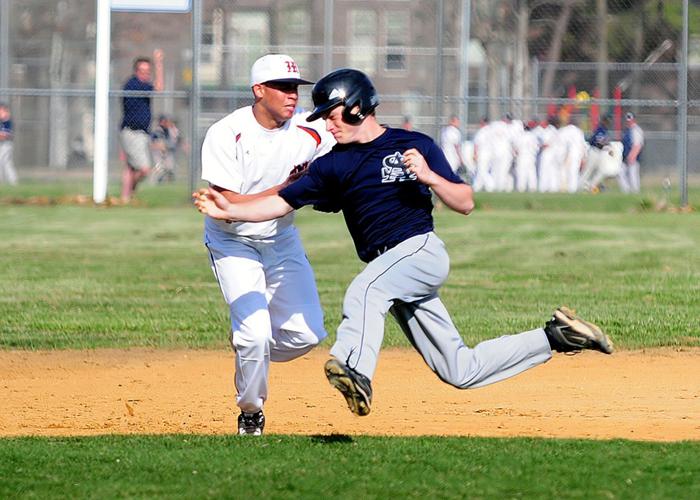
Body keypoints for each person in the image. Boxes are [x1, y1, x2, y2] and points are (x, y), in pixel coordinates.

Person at [194, 68, 613, 419]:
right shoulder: (332, 165)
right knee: (459, 368)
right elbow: (278, 202)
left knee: (366, 289)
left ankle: (355, 370)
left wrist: (430, 176)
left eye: (332, 113)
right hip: (392, 269)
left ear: (357, 105)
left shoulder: (413, 144)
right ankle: (557, 337)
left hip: (419, 251)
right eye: (322, 116)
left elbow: (465, 202)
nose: (326, 122)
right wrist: (227, 209)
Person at [198, 54, 335, 436]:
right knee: (256, 332)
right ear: (259, 91)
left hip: (281, 238)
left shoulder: (311, 128)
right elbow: (229, 207)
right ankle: (251, 411)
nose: (293, 95)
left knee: (308, 335)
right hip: (233, 243)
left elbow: (350, 145)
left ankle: (246, 346)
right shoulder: (227, 133)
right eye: (283, 87)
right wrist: (297, 187)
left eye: (295, 88)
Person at [119, 53, 163, 202]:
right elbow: (158, 87)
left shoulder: (142, 85)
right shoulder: (133, 84)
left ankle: (126, 197)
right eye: (142, 71)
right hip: (132, 132)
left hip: (142, 133)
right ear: (136, 71)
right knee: (144, 169)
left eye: (147, 72)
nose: (145, 75)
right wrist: (158, 62)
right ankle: (129, 191)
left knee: (131, 167)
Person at [618, 111, 644, 193]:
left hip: (633, 158)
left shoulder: (636, 130)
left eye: (630, 119)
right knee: (620, 172)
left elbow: (638, 145)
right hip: (625, 157)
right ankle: (626, 191)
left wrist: (632, 156)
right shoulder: (627, 130)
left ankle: (635, 192)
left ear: (633, 119)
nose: (628, 121)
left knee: (633, 176)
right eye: (627, 119)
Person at [150, 114, 180, 183]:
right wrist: (159, 146)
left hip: (166, 152)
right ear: (161, 122)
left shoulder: (168, 130)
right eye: (165, 121)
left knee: (170, 167)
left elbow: (175, 139)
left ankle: (168, 181)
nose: (167, 123)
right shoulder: (158, 131)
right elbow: (152, 143)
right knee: (159, 168)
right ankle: (154, 181)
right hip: (158, 153)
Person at [439, 115, 465, 179]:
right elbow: (456, 146)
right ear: (452, 122)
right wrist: (460, 158)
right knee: (452, 171)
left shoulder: (444, 130)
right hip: (452, 155)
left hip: (444, 153)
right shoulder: (455, 132)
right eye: (457, 121)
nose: (458, 123)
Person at [0, 103, 18, 185]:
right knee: (6, 163)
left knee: (2, 161)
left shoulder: (7, 122)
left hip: (6, 145)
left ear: (6, 111)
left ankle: (11, 181)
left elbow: (5, 136)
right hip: (3, 145)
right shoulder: (2, 122)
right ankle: (13, 181)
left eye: (1, 111)